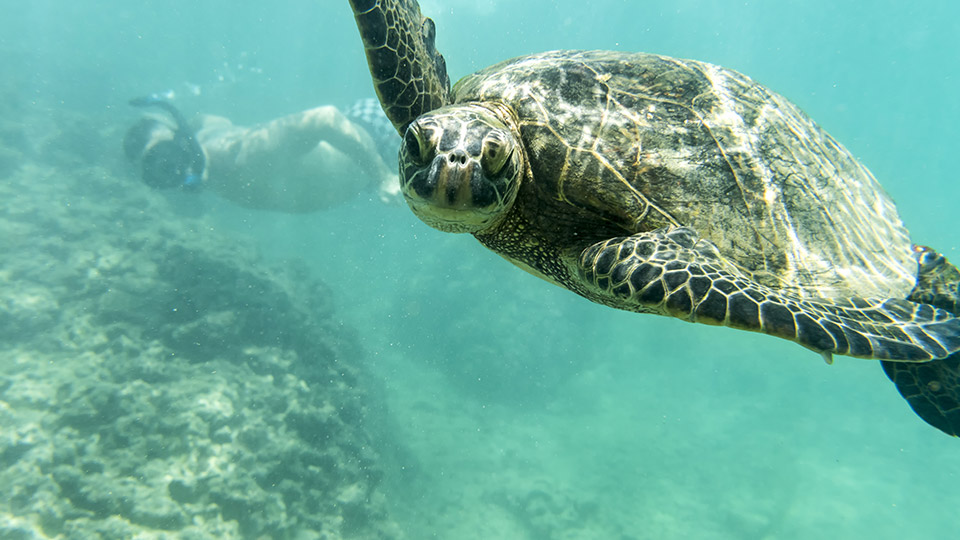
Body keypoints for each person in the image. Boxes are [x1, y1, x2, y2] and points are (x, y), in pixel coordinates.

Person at [123, 97, 400, 212]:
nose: (176, 171)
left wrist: (382, 176)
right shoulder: (207, 140)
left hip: (384, 134)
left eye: (167, 156)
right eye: (158, 174)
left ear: (179, 140)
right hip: (366, 157)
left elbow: (323, 118)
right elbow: (209, 119)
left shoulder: (240, 154)